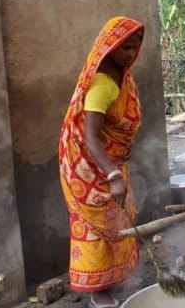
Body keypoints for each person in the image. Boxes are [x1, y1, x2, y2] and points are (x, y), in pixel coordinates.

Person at [58, 17, 145, 308]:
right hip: (86, 166)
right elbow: (91, 137)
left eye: (134, 48)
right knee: (94, 226)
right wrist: (112, 174)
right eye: (124, 49)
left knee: (118, 216)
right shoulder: (102, 84)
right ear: (109, 48)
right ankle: (98, 291)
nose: (131, 54)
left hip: (109, 163)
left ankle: (116, 276)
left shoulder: (122, 75)